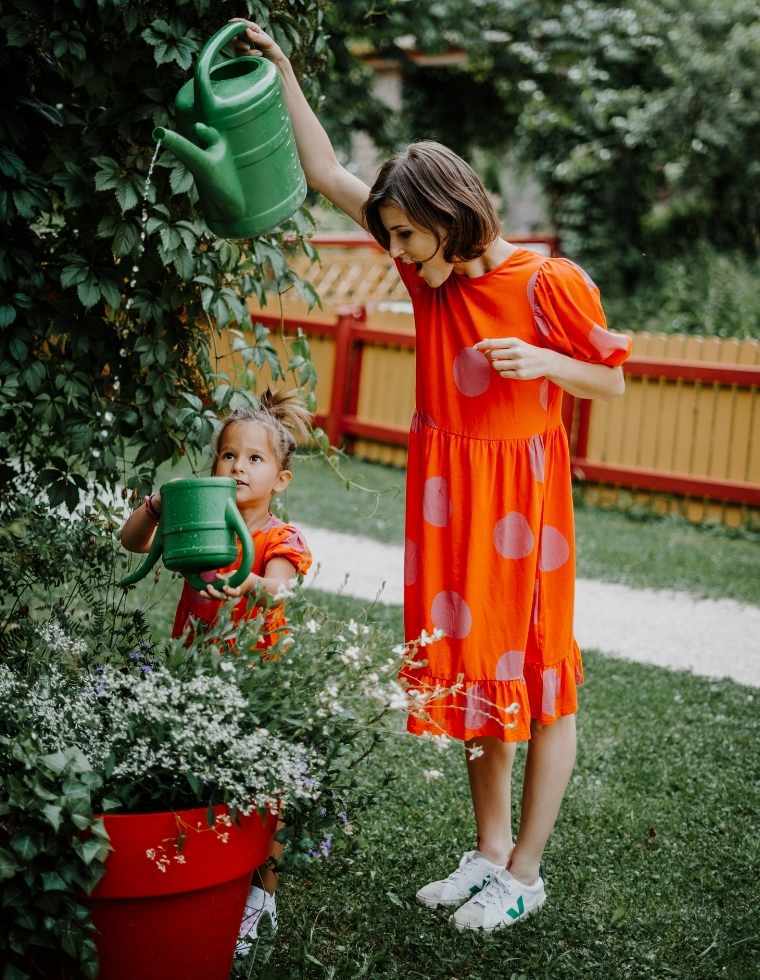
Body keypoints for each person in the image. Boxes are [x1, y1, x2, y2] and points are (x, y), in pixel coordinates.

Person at [230, 20, 631, 934]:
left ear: (450, 217)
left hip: (524, 499)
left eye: (409, 234)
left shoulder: (548, 282)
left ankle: (526, 872)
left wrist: (541, 360)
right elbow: (332, 172)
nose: (398, 252)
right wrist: (286, 71)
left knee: (538, 677)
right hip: (448, 492)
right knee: (471, 674)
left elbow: (609, 375)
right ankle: (487, 854)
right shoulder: (430, 282)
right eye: (395, 235)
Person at [120, 386, 313, 948]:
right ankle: (203, 873)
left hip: (256, 682)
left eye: (255, 459)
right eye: (229, 455)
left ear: (280, 479)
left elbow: (278, 591)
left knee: (262, 790)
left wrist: (246, 581)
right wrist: (157, 505)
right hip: (196, 675)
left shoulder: (279, 538)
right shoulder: (199, 525)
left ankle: (261, 897)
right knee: (199, 777)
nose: (238, 466)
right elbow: (132, 544)